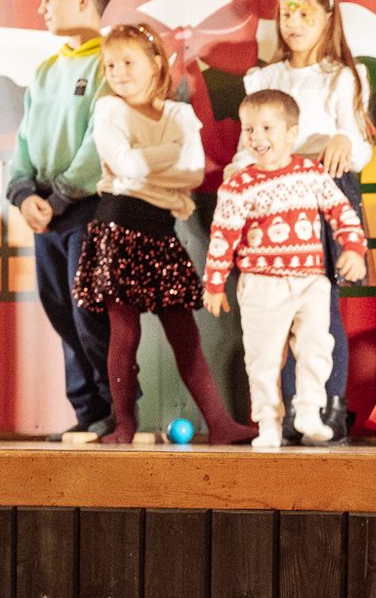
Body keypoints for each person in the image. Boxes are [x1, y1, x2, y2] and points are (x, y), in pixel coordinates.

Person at [76, 23, 253, 446]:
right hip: (118, 226)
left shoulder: (179, 114)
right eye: (111, 65)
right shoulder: (109, 109)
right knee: (125, 334)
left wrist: (142, 168)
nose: (118, 73)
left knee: (184, 334)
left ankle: (221, 423)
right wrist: (169, 154)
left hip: (159, 230)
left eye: (128, 62)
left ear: (156, 63)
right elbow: (124, 164)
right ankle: (124, 425)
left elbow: (192, 173)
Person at [226, 0, 376, 443]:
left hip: (323, 189)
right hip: (274, 201)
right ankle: (287, 412)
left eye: (305, 14)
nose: (293, 23)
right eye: (286, 13)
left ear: (327, 19)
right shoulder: (264, 78)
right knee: (276, 311)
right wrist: (237, 179)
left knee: (319, 307)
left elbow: (361, 145)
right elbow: (246, 148)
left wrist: (343, 140)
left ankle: (328, 407)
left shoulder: (342, 77)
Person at [203, 90, 368, 448]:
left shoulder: (311, 174)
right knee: (262, 357)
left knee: (316, 344)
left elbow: (342, 212)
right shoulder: (239, 185)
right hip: (261, 283)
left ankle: (309, 410)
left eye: (267, 128)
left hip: (310, 279)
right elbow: (223, 235)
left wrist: (354, 250)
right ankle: (268, 423)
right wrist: (214, 283)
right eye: (249, 129)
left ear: (292, 133)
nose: (257, 137)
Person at [8, 0, 116, 439]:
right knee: (59, 310)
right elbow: (23, 142)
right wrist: (23, 193)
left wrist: (61, 197)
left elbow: (98, 143)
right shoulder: (46, 70)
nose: (42, 8)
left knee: (89, 311)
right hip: (46, 211)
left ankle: (115, 409)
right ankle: (86, 411)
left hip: (86, 208)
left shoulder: (111, 62)